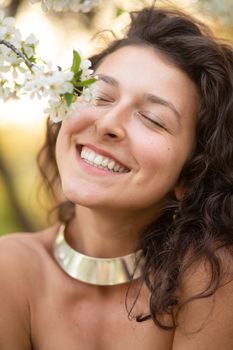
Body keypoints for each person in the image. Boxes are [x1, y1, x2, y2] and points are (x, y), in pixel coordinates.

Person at [0, 3, 233, 349]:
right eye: (99, 95)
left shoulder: (212, 278)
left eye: (152, 119)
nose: (108, 124)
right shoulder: (11, 268)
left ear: (191, 173)